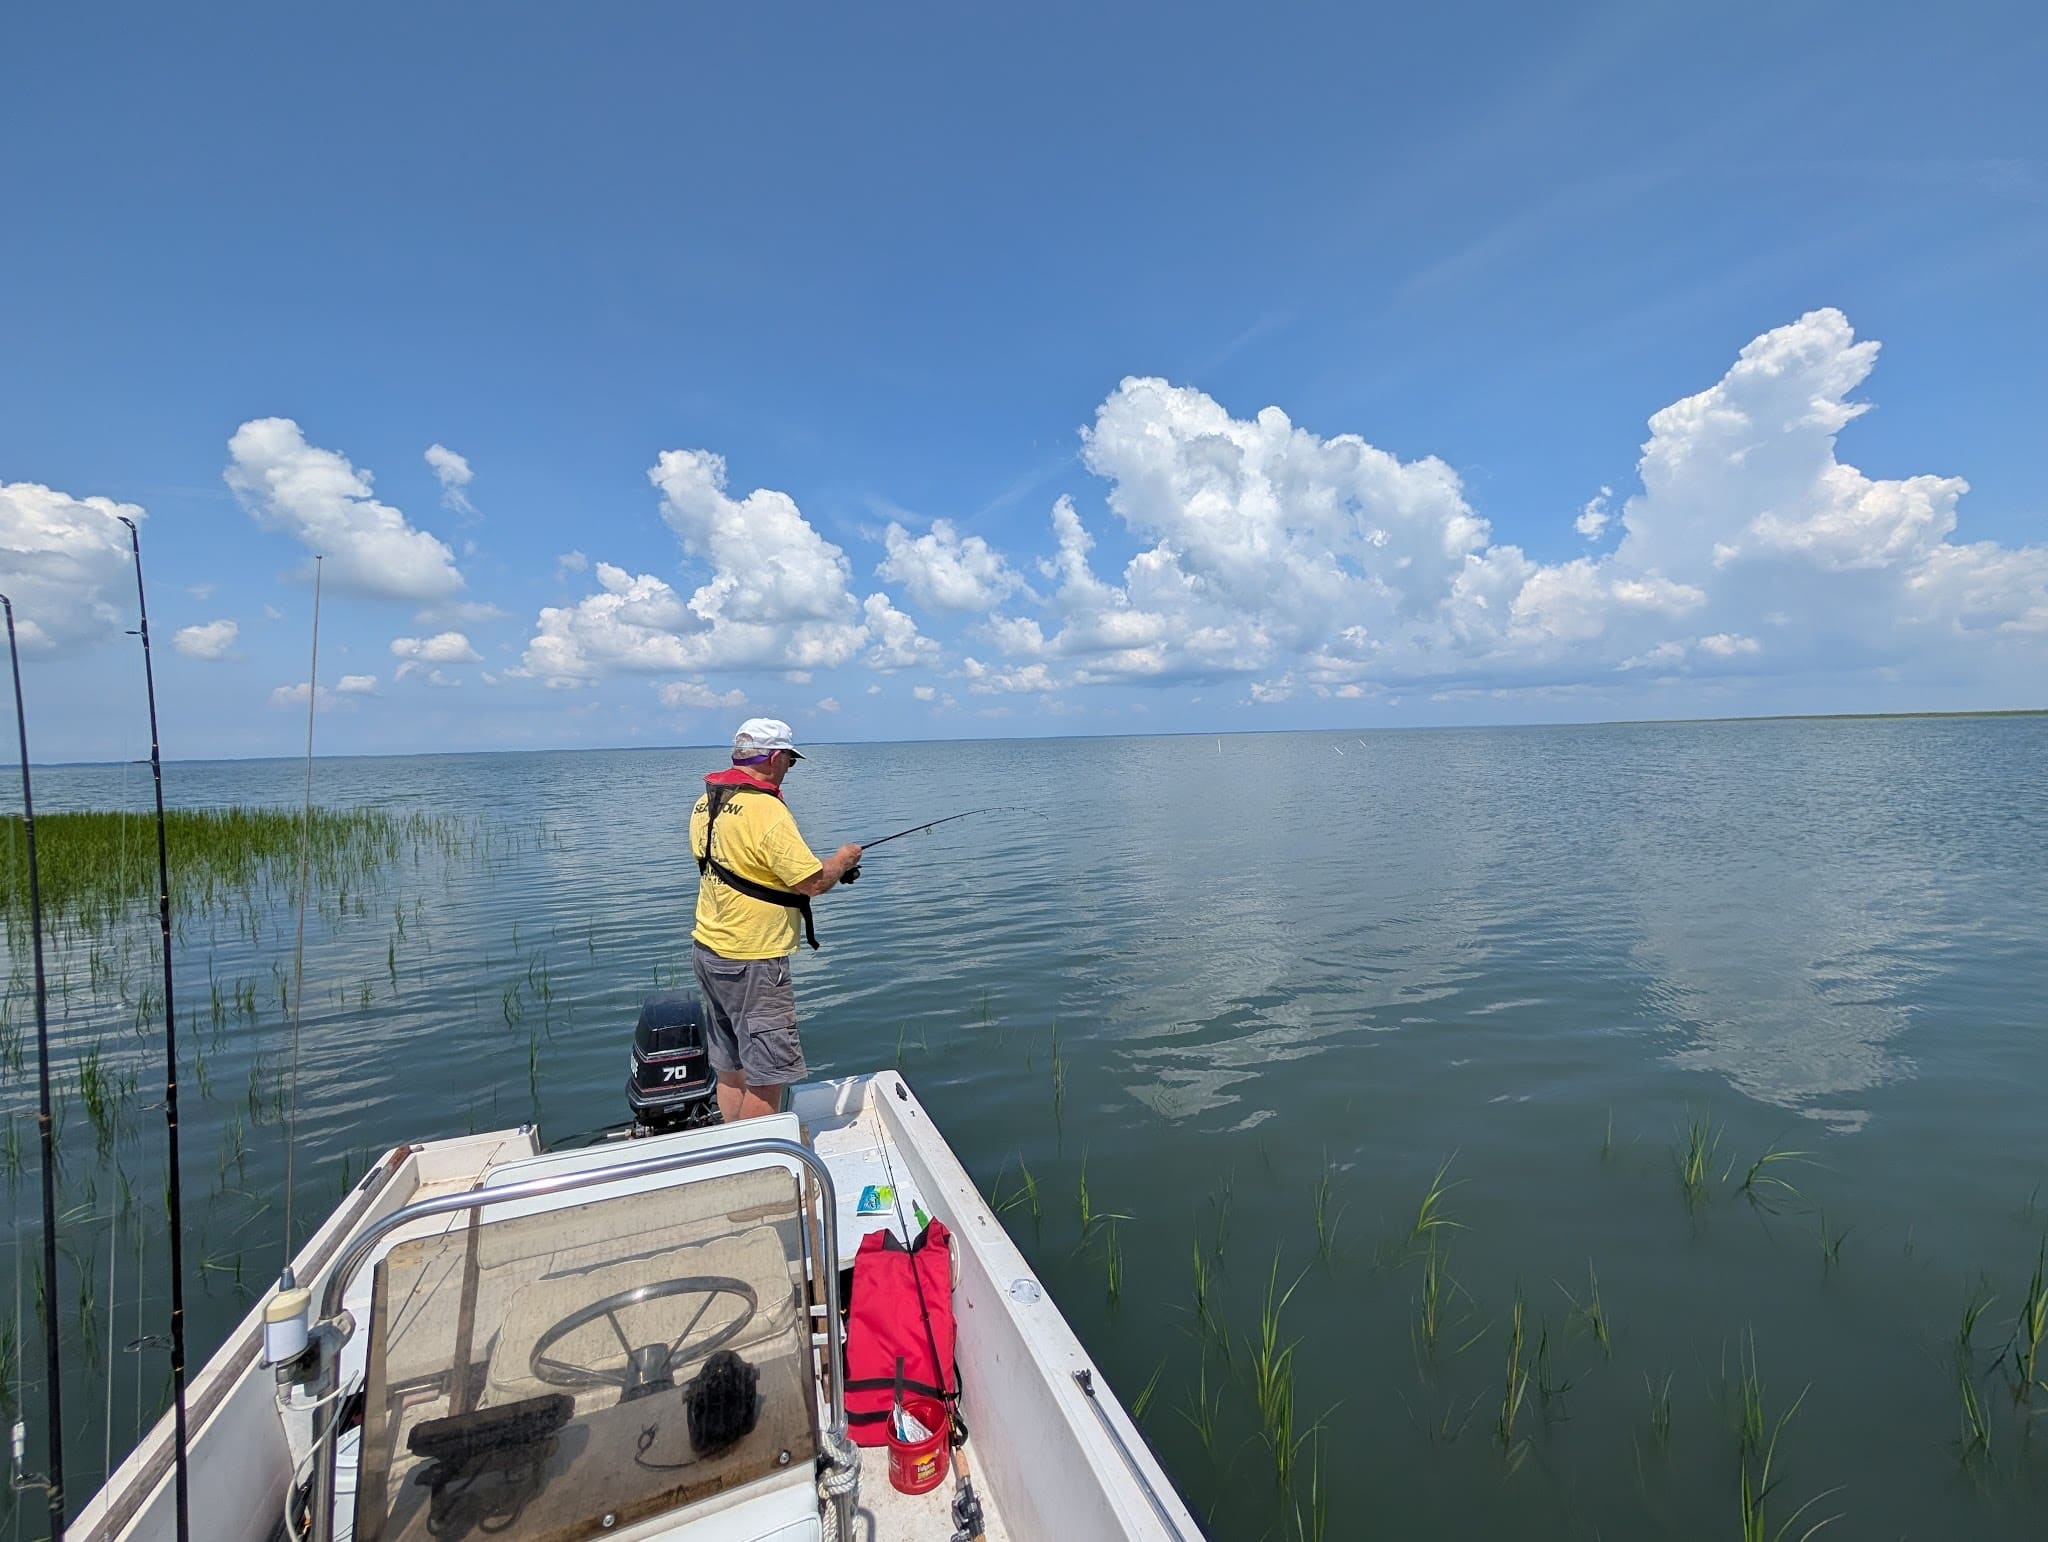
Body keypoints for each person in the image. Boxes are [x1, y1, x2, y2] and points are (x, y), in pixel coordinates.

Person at [689, 717, 861, 1121]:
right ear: (775, 758)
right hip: (753, 959)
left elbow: (743, 867)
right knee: (769, 1075)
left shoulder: (706, 802)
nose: (789, 769)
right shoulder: (766, 810)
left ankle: (735, 1145)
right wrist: (843, 859)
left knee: (731, 1066)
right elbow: (812, 882)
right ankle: (757, 1154)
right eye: (790, 761)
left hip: (709, 950)